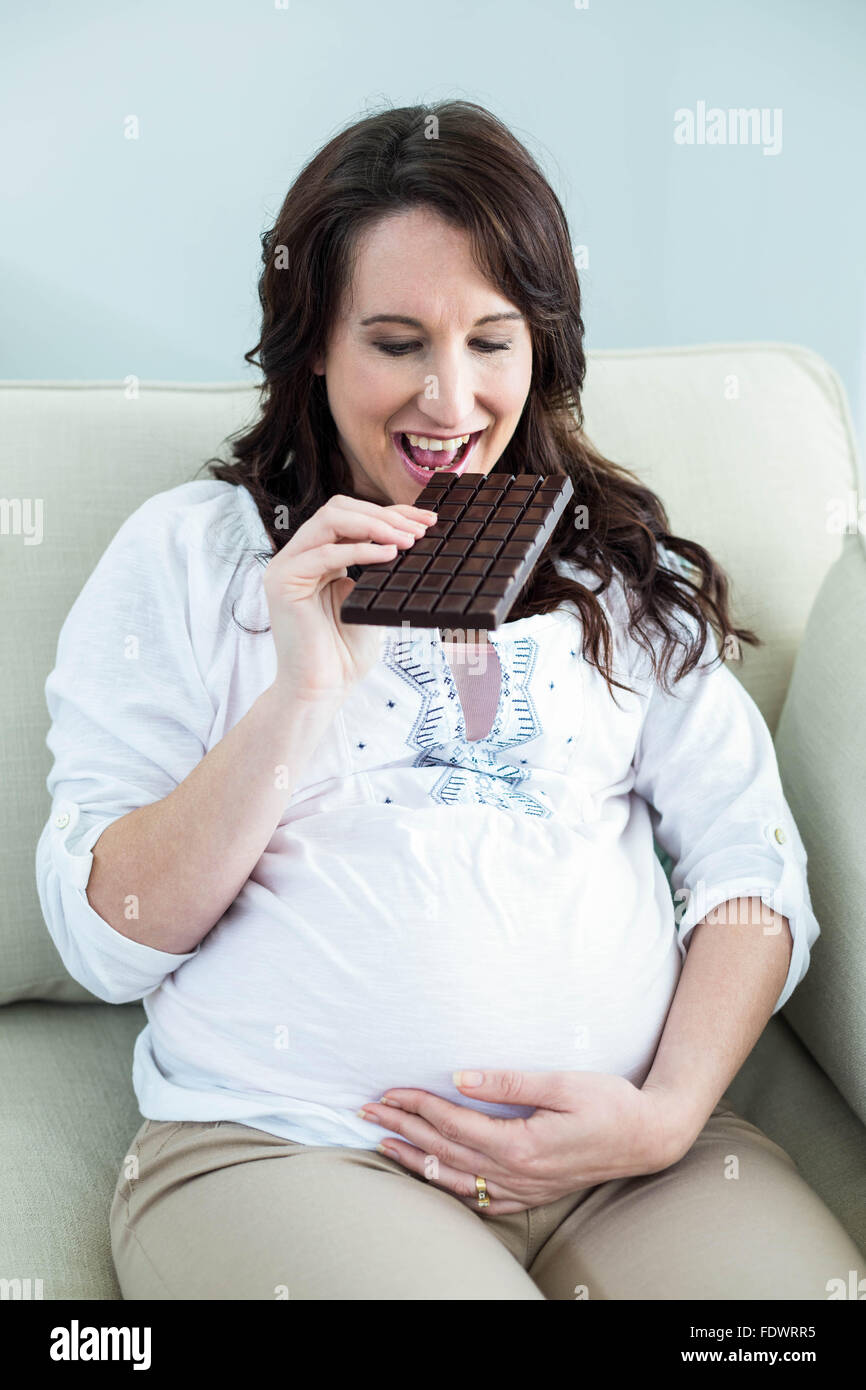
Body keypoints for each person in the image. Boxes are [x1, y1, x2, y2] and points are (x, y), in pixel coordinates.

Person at [37, 100, 863, 1300]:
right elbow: (106, 936)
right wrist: (301, 686)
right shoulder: (188, 556)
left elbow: (749, 869)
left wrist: (664, 1115)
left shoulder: (612, 571)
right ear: (311, 343)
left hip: (632, 1160)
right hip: (296, 1149)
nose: (450, 399)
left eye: (491, 340)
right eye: (393, 341)